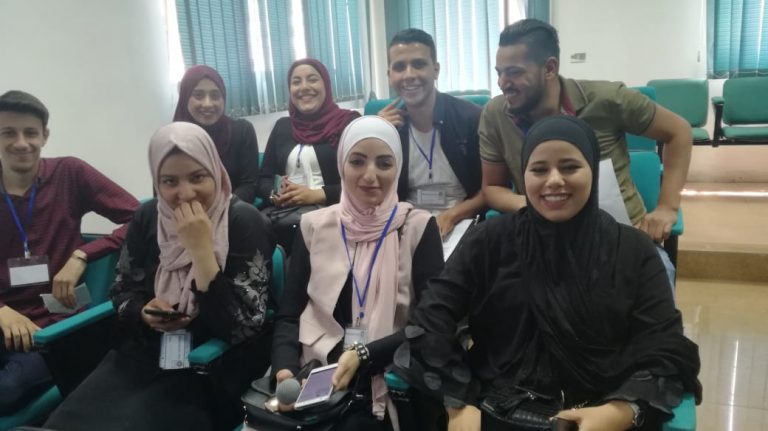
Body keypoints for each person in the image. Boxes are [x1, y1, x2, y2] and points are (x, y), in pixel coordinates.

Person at [395, 116, 701, 431]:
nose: (554, 180)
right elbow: (431, 318)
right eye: (539, 170)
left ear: (593, 172)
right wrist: (458, 403)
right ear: (524, 175)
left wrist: (621, 411)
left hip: (596, 416)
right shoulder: (490, 241)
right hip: (492, 409)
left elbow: (665, 347)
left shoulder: (633, 251)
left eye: (570, 167)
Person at [44, 122, 275, 431]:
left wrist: (201, 251)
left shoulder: (244, 221)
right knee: (65, 423)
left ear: (215, 172)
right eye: (169, 181)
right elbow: (122, 289)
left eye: (197, 177)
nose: (185, 193)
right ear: (157, 181)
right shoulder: (148, 216)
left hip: (209, 364)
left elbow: (243, 327)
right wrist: (144, 312)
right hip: (142, 353)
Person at [480, 19, 691, 283]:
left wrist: (667, 207)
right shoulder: (496, 114)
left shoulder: (607, 99)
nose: (502, 82)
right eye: (499, 72)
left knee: (655, 284)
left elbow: (679, 131)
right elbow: (492, 188)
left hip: (621, 237)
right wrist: (537, 205)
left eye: (513, 72)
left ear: (549, 68)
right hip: (545, 239)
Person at [269, 116, 445, 430]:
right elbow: (289, 315)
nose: (370, 175)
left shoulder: (417, 228)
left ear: (398, 168)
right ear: (341, 165)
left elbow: (430, 325)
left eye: (384, 163)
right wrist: (284, 371)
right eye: (357, 161)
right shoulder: (315, 226)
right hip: (314, 371)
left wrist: (363, 355)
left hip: (382, 375)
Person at [0, 90, 138, 413]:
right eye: (8, 133)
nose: (21, 143)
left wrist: (83, 255)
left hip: (54, 323)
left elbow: (141, 216)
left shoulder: (69, 173)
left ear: (45, 136)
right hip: (4, 319)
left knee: (7, 389)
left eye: (30, 132)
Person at [378, 29, 484, 238]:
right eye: (399, 67)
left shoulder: (471, 118)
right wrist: (376, 134)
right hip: (404, 226)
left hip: (461, 222)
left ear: (436, 70)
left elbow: (490, 190)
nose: (409, 75)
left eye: (419, 64)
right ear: (389, 75)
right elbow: (369, 190)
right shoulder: (387, 127)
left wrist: (451, 216)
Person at [257, 58, 360, 252]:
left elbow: (361, 183)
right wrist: (275, 194)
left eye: (312, 79)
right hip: (286, 217)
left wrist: (315, 195)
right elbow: (265, 178)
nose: (304, 87)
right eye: (296, 82)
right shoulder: (283, 127)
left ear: (326, 84)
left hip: (335, 214)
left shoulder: (348, 123)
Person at [174, 65, 260, 203]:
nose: (208, 104)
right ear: (184, 97)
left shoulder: (242, 131)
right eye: (198, 95)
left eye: (215, 95)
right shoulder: (171, 140)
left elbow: (249, 186)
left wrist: (217, 209)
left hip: (232, 210)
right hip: (184, 212)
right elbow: (163, 195)